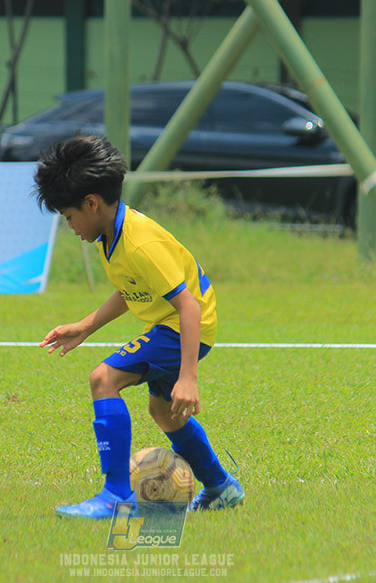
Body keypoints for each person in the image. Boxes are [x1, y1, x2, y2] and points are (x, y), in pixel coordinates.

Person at [33, 135, 244, 519]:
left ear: (91, 203)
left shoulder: (140, 242)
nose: (69, 226)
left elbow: (189, 306)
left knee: (104, 379)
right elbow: (131, 290)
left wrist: (189, 376)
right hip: (178, 324)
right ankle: (221, 487)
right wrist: (85, 326)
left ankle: (116, 495)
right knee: (165, 415)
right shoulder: (108, 232)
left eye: (68, 215)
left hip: (184, 326)